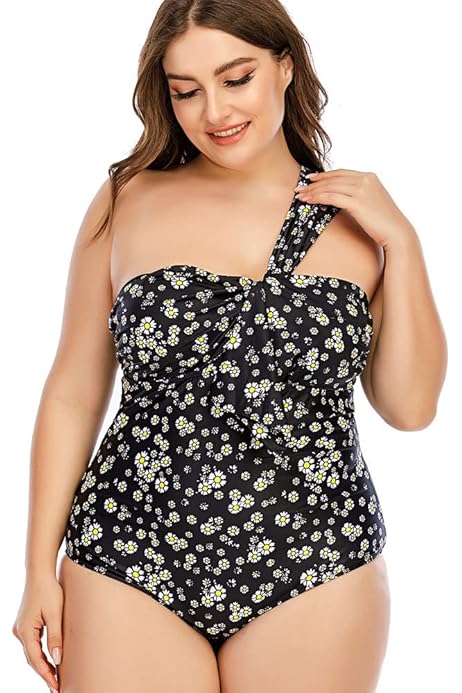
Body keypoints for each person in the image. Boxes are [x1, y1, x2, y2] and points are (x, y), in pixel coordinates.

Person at [12, 1, 447, 691]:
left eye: (235, 78)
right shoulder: (127, 197)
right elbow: (73, 391)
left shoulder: (359, 223)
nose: (214, 111)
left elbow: (412, 407)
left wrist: (405, 241)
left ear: (285, 66)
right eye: (186, 91)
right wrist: (38, 567)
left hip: (316, 559)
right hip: (128, 549)